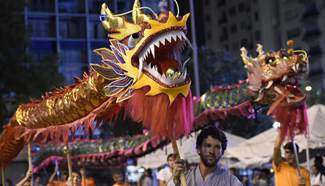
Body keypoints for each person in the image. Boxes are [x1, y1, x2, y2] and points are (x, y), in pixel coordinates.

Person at [168, 126, 242, 186]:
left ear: (222, 152)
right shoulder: (183, 178)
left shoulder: (231, 182)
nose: (212, 151)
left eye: (217, 147)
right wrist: (176, 182)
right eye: (207, 146)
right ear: (198, 149)